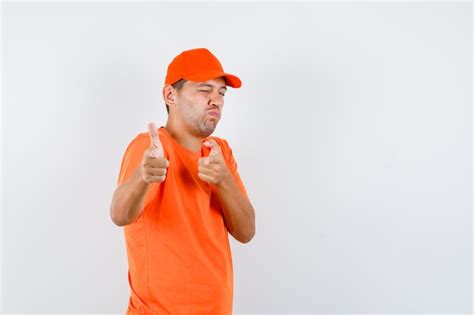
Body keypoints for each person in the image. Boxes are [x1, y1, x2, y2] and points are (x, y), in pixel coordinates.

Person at [109, 48, 256, 315]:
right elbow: (119, 214)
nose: (216, 100)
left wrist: (224, 181)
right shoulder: (150, 147)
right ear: (170, 95)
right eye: (204, 90)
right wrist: (144, 177)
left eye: (221, 93)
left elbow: (246, 232)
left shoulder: (219, 151)